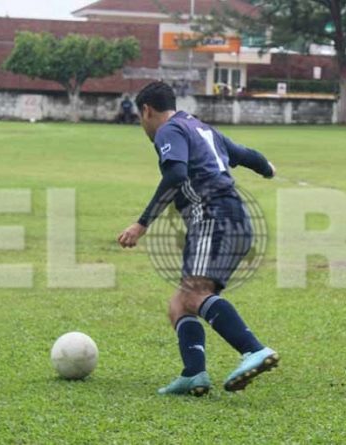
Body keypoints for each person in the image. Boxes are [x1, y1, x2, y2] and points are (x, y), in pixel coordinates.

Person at [117, 81, 279, 396]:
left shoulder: (168, 130)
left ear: (146, 110)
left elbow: (176, 175)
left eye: (140, 118)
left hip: (211, 217)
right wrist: (267, 169)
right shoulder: (202, 128)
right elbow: (244, 154)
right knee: (180, 303)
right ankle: (194, 373)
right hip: (232, 218)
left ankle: (254, 350)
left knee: (193, 296)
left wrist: (141, 224)